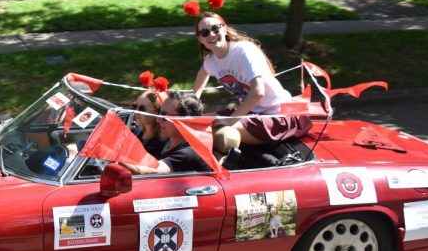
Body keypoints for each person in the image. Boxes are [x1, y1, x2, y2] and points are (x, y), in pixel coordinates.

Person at [191, 12, 311, 149]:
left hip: (278, 116)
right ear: (200, 38)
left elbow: (258, 92)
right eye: (205, 32)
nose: (211, 34)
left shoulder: (243, 51)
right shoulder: (212, 60)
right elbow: (203, 72)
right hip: (252, 114)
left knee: (216, 132)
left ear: (224, 28)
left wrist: (230, 120)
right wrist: (193, 103)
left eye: (215, 29)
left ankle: (222, 167)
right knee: (195, 123)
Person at [121, 91, 212, 175]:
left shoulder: (190, 152)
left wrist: (115, 157)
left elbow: (152, 170)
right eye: (160, 113)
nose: (158, 119)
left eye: (165, 116)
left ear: (185, 121)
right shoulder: (170, 141)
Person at [131, 89, 166, 156]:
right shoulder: (138, 131)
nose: (136, 111)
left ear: (158, 112)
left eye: (142, 109)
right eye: (135, 106)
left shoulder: (163, 141)